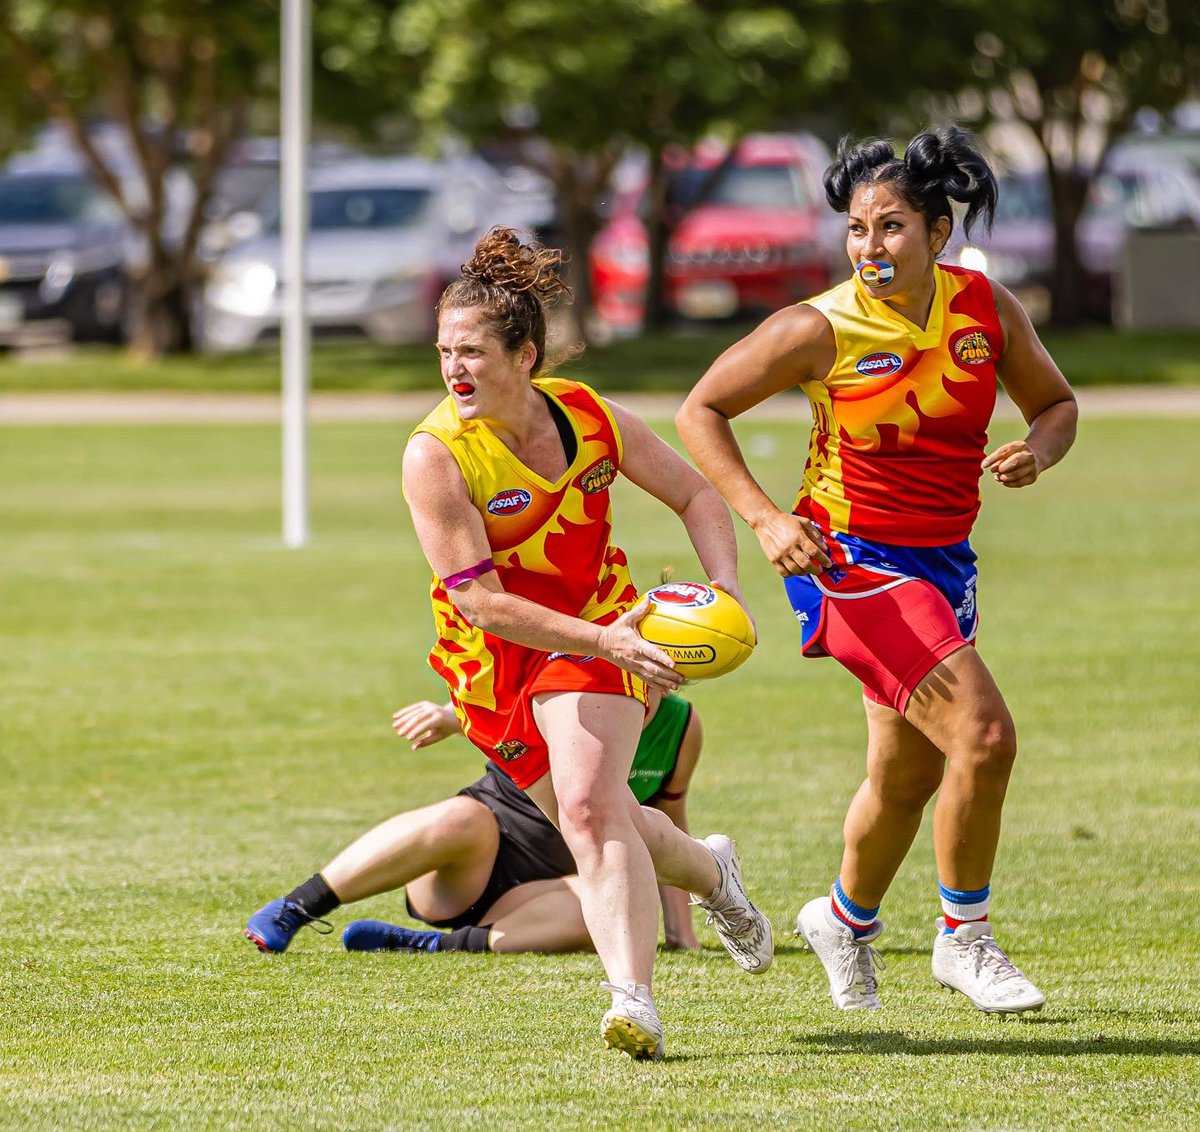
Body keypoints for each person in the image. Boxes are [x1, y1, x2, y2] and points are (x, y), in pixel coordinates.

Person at [676, 126, 1077, 1016]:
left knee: (909, 774)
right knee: (984, 737)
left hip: (942, 564)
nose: (869, 248)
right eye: (857, 230)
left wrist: (1038, 453)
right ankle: (963, 938)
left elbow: (1055, 403)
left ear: (939, 233)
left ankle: (844, 920)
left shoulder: (985, 308)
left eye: (890, 227)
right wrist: (768, 519)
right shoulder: (815, 327)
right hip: (846, 560)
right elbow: (701, 409)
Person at [395, 226, 771, 1059]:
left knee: (590, 809)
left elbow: (698, 498)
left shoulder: (590, 415)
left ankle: (631, 999)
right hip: (492, 664)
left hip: (606, 632)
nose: (454, 370)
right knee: (608, 822)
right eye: (443, 352)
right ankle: (715, 878)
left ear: (525, 354)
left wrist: (725, 595)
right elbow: (485, 607)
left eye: (472, 351)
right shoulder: (436, 456)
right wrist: (598, 638)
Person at [243, 690, 704, 958]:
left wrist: (682, 933)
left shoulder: (681, 726)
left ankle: (434, 946)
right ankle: (296, 907)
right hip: (474, 858)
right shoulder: (577, 685)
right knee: (461, 818)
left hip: (546, 893)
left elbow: (669, 827)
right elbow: (500, 697)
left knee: (607, 899)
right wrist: (452, 715)